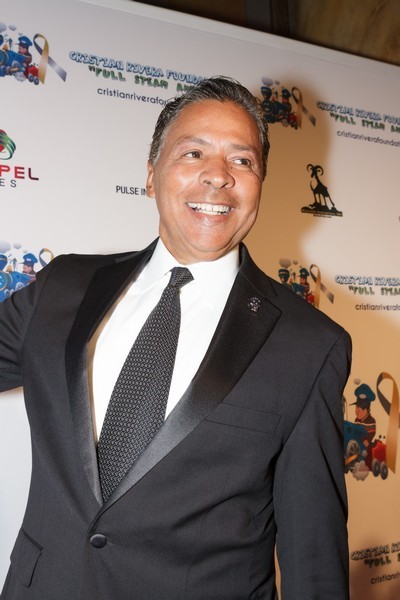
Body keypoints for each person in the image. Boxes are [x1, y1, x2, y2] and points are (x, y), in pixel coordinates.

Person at [0, 76, 351, 600]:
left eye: (242, 160)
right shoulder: (64, 286)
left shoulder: (309, 344)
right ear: (151, 175)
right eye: (193, 153)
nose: (218, 176)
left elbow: (314, 557)